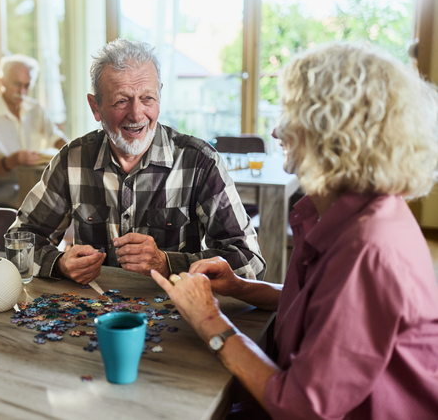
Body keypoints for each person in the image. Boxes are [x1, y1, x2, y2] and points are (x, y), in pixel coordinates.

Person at [152, 42, 438, 419]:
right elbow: (322, 306)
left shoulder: (370, 247)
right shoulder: (346, 213)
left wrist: (209, 320)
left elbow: (301, 407)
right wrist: (240, 287)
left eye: (291, 113)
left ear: (332, 130)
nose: (275, 130)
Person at [9, 39, 265, 284]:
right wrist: (60, 264)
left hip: (176, 315)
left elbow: (250, 263)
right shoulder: (71, 160)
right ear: (95, 106)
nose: (137, 113)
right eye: (121, 100)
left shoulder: (200, 162)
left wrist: (168, 264)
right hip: (90, 314)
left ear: (159, 97)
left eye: (147, 98)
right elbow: (16, 244)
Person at [0, 54, 68, 208]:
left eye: (27, 85)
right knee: (41, 201)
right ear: (1, 81)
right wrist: (11, 161)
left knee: (64, 195)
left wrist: (73, 153)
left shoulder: (36, 109)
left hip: (30, 180)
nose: (22, 91)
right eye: (17, 84)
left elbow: (56, 138)